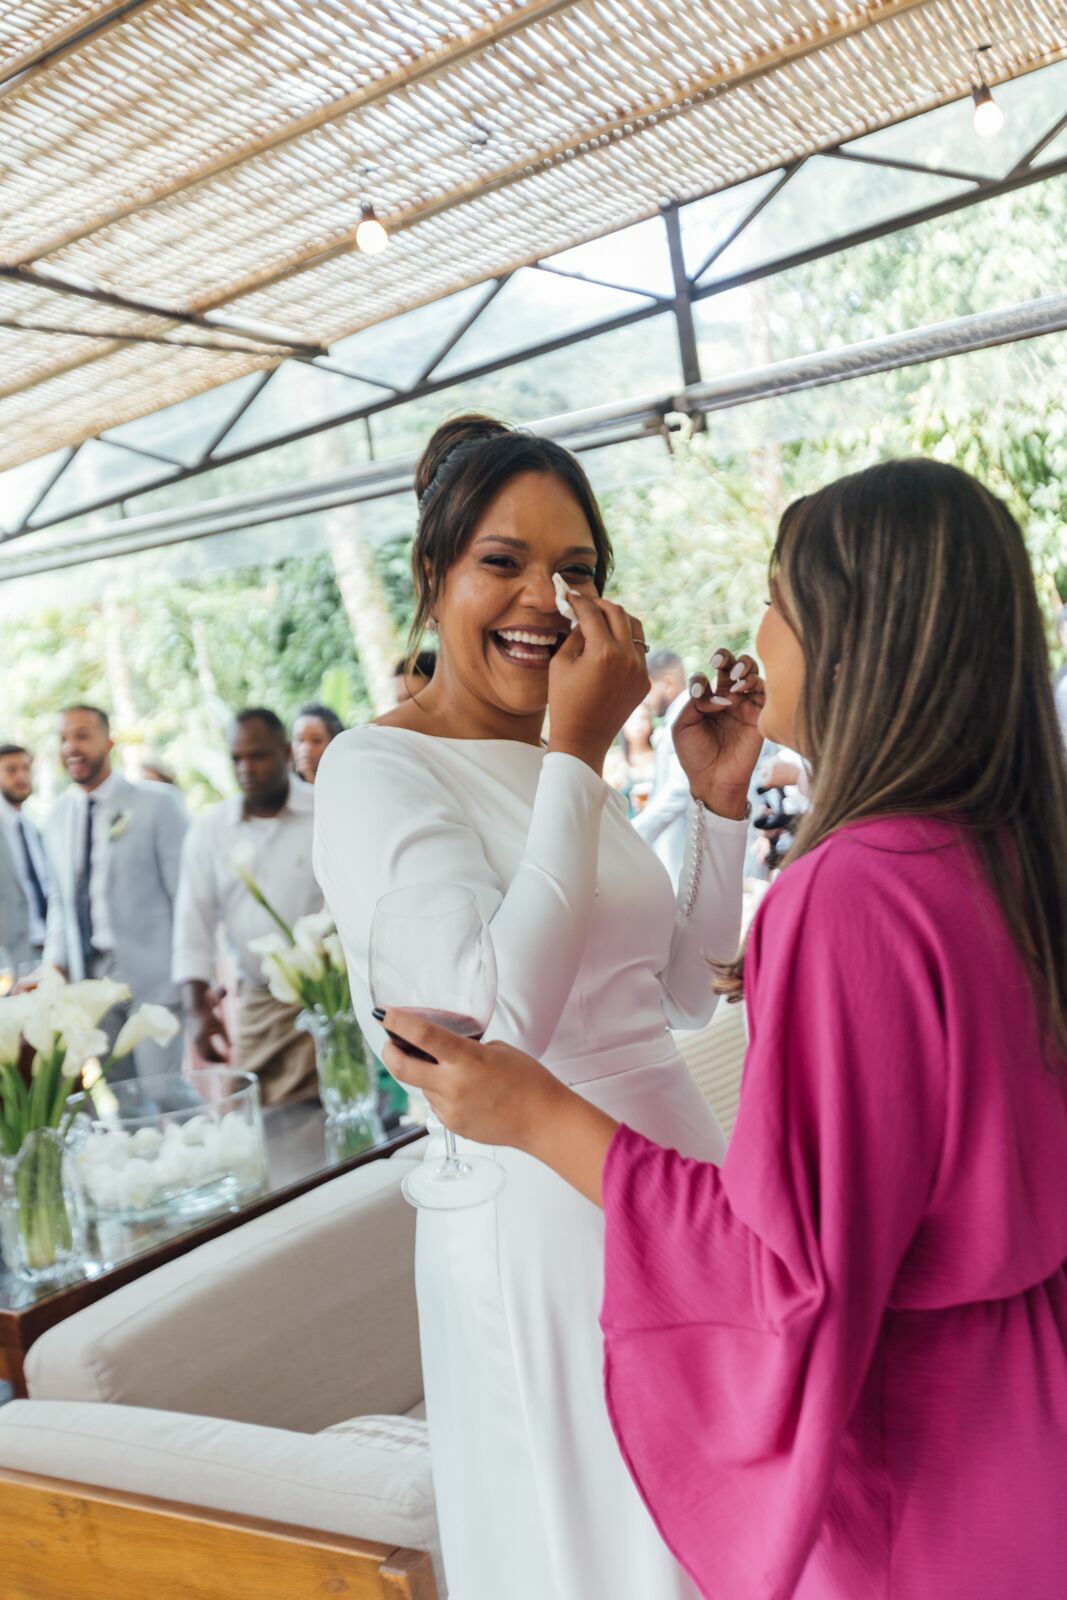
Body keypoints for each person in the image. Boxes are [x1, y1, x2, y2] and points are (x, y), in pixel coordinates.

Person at [382, 458, 1067, 1600]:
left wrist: (538, 1112)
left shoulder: (850, 889)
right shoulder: (1007, 853)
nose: (754, 631)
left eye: (776, 597)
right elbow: (691, 984)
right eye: (502, 564)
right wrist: (711, 810)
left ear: (852, 637)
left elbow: (784, 1270)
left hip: (928, 1460)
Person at [313, 414, 764, 1600]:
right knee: (611, 1547)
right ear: (432, 579)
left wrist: (713, 802)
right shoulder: (377, 767)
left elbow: (676, 989)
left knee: (716, 1528)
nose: (544, 599)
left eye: (576, 571)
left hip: (673, 1173)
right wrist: (576, 749)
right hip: (538, 1214)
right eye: (502, 562)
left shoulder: (565, 758)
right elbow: (488, 1026)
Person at [174, 708, 322, 1103]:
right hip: (259, 1004)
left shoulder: (325, 809)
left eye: (258, 756)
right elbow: (193, 925)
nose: (246, 768)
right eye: (237, 758)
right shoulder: (210, 831)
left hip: (332, 998)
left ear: (285, 752)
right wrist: (197, 1011)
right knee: (255, 1117)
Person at [42, 706, 186, 1079]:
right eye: (63, 739)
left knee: (163, 1089)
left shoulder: (157, 802)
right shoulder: (56, 817)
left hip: (154, 971)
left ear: (108, 742)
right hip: (91, 979)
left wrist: (195, 971)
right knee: (124, 1101)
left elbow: (184, 893)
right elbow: (60, 901)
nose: (71, 747)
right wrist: (53, 965)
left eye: (82, 736)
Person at [632, 647, 695, 887]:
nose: (644, 701)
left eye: (648, 689)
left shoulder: (687, 717)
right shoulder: (677, 717)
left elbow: (680, 788)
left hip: (683, 846)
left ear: (667, 683)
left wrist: (636, 833)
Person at [0, 743, 50, 972]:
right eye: (11, 770)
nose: (21, 776)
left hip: (47, 951)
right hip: (8, 960)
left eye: (26, 768)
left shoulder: (34, 830)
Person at [291, 702, 345, 785]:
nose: (306, 749)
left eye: (316, 740)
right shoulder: (278, 784)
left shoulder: (346, 783)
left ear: (333, 742)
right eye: (300, 740)